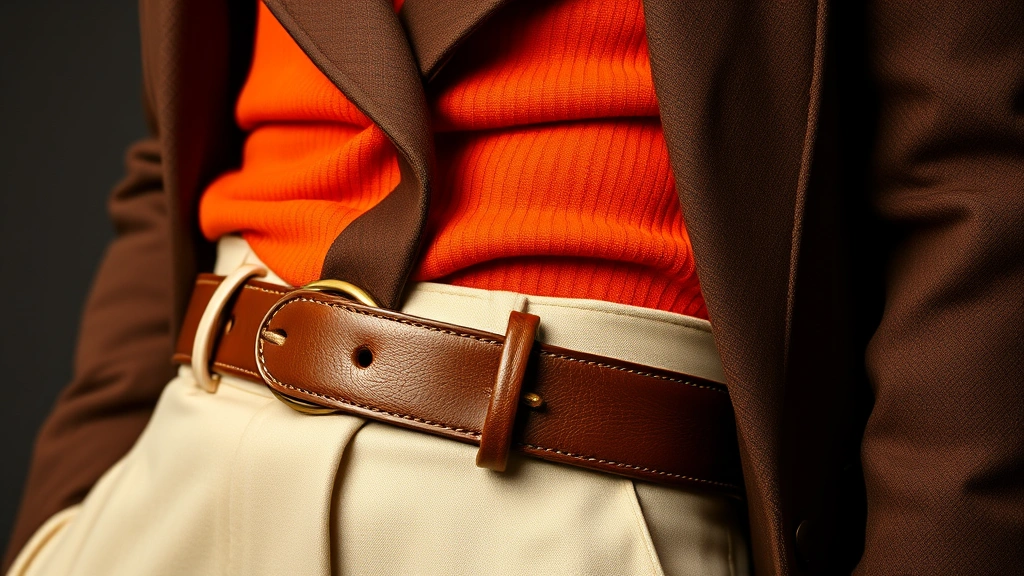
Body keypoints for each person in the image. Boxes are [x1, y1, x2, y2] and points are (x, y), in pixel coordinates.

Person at [5, 0, 1023, 574]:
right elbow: (173, 148)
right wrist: (62, 520)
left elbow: (968, 196)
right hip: (182, 470)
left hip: (574, 500)